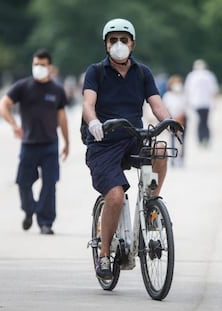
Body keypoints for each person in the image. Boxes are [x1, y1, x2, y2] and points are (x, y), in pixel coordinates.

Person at [82, 18, 172, 280]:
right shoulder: (95, 72)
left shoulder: (142, 72)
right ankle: (104, 256)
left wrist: (170, 122)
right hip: (104, 142)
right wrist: (94, 122)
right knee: (115, 196)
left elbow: (156, 104)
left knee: (160, 150)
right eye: (113, 40)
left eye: (123, 40)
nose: (118, 44)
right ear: (106, 45)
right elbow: (88, 104)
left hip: (133, 136)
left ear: (132, 44)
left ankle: (151, 205)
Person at [0, 48, 69, 235]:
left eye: (42, 65)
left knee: (49, 184)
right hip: (28, 143)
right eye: (36, 64)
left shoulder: (57, 90)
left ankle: (46, 222)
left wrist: (67, 142)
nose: (38, 68)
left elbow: (62, 118)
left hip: (50, 144)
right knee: (23, 182)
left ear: (49, 67)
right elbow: (2, 105)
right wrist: (13, 124)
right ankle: (30, 211)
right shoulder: (23, 87)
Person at [184, 59, 219, 147]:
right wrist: (215, 102)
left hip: (196, 102)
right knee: (205, 121)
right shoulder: (209, 75)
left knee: (199, 122)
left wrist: (187, 102)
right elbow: (213, 90)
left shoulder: (192, 76)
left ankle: (200, 139)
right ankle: (206, 138)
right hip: (206, 102)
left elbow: (187, 90)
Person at [162, 74, 187, 167]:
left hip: (183, 119)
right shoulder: (167, 96)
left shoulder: (184, 95)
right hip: (172, 119)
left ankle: (181, 158)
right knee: (172, 139)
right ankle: (172, 158)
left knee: (182, 140)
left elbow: (186, 107)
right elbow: (165, 108)